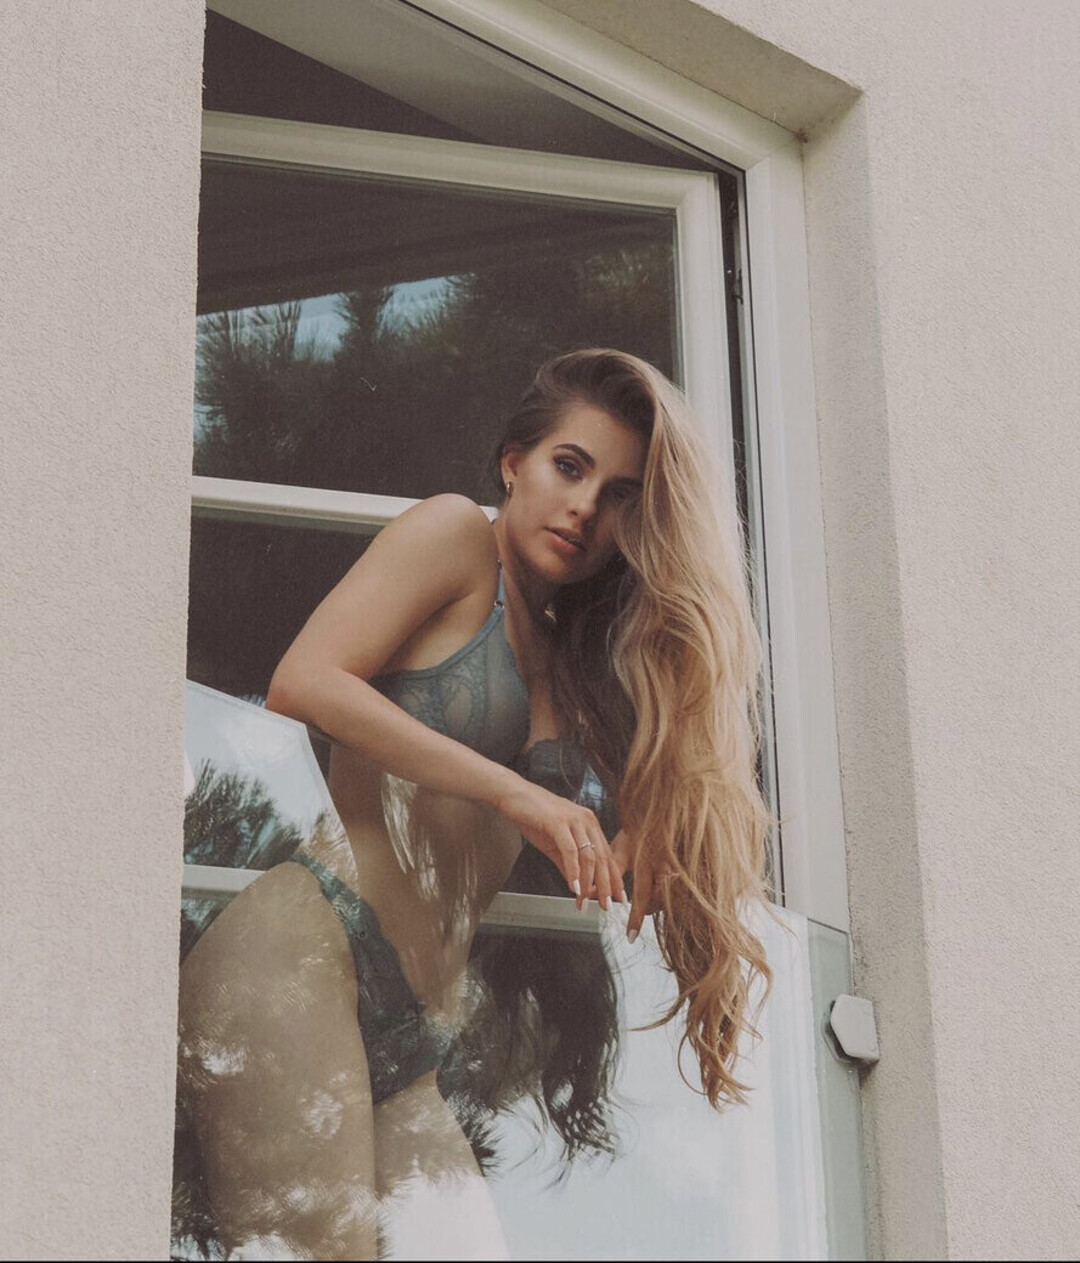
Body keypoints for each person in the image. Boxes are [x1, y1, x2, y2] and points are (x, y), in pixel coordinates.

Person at [175, 348, 772, 1260]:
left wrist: (650, 826)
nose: (585, 507)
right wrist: (518, 792)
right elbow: (304, 681)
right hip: (305, 946)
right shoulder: (456, 537)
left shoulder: (577, 659)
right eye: (569, 466)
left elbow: (636, 842)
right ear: (513, 462)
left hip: (414, 1028)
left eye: (619, 495)